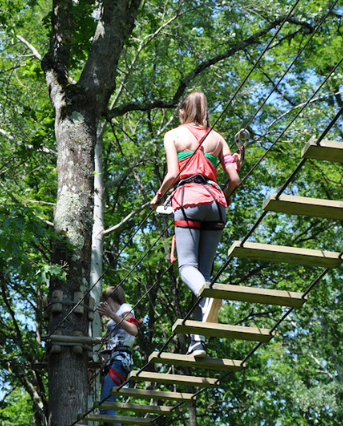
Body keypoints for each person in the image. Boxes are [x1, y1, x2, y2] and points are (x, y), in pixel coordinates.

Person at [149, 91, 240, 357]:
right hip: (217, 204)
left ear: (183, 111)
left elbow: (173, 174)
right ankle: (198, 341)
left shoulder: (173, 135)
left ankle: (209, 298)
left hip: (188, 200)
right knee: (204, 275)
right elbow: (234, 179)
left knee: (187, 268)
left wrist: (158, 196)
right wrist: (226, 195)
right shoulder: (218, 139)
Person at [96, 285, 140, 425]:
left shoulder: (125, 308)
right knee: (104, 409)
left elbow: (133, 330)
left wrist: (111, 314)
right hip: (112, 361)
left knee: (106, 406)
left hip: (120, 360)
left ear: (108, 300)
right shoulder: (112, 320)